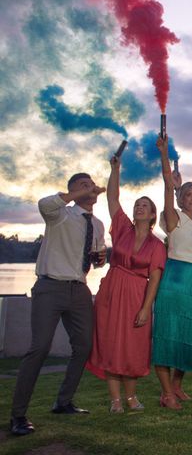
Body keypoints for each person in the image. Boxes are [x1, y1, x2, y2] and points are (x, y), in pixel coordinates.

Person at [10, 173, 106, 436]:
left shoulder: (97, 224)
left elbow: (96, 259)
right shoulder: (61, 214)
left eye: (92, 185)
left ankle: (63, 402)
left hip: (79, 289)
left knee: (84, 346)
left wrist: (100, 259)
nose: (91, 188)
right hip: (50, 287)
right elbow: (45, 203)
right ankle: (18, 415)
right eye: (83, 185)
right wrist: (80, 194)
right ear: (72, 190)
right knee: (40, 347)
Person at [85, 156, 166, 413]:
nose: (139, 208)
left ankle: (131, 397)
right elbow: (112, 199)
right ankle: (115, 400)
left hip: (136, 295)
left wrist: (146, 308)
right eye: (137, 205)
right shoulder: (122, 229)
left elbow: (154, 278)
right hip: (111, 290)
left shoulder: (157, 245)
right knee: (110, 342)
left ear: (153, 214)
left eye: (145, 205)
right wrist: (115, 169)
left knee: (132, 346)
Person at [153, 136, 192, 410]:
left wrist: (178, 188)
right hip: (174, 279)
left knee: (187, 334)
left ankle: (177, 386)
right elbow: (166, 183)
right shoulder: (172, 217)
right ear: (181, 197)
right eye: (188, 194)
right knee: (167, 334)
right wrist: (164, 155)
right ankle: (166, 393)